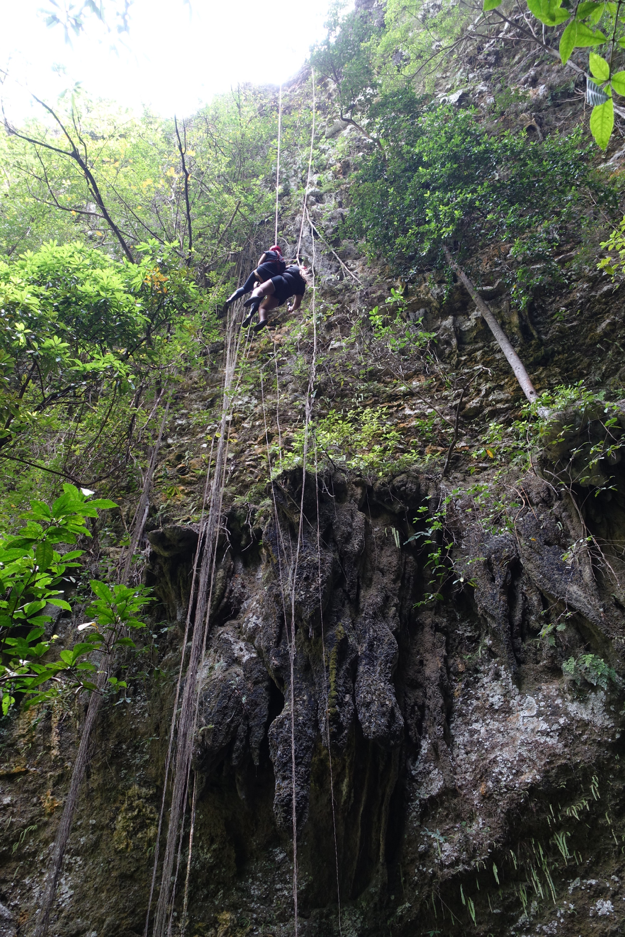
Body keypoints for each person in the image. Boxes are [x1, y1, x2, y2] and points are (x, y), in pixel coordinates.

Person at [242, 264, 308, 331]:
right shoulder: (302, 285)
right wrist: (292, 308)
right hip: (283, 295)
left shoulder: (294, 267)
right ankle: (262, 320)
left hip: (280, 281)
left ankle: (255, 296)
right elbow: (297, 304)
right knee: (263, 307)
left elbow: (278, 268)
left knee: (260, 289)